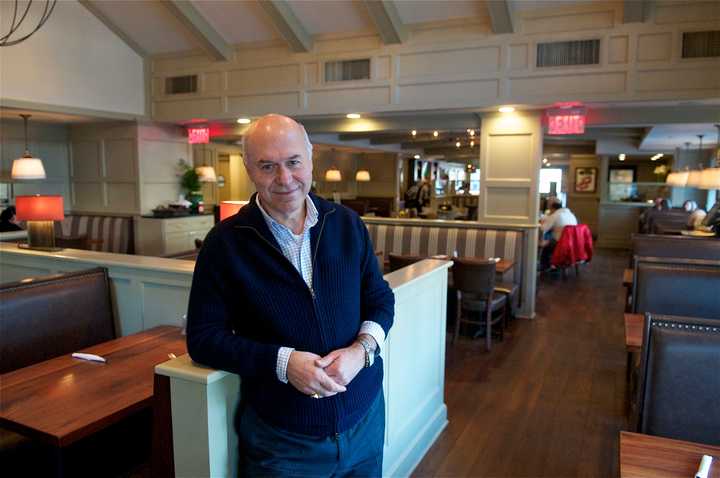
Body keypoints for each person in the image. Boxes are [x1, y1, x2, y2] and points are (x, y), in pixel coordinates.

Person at [186, 114, 394, 477]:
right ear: (249, 168)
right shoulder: (224, 243)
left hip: (365, 420)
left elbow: (380, 299)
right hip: (282, 441)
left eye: (293, 162)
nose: (284, 179)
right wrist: (283, 363)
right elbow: (203, 340)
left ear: (311, 158)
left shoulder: (346, 223)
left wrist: (361, 352)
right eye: (268, 166)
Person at [539, 198, 578, 271]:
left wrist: (543, 222)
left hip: (561, 243)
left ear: (551, 207)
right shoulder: (570, 213)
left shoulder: (555, 215)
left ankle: (544, 266)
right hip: (573, 243)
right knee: (550, 237)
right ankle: (554, 264)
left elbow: (543, 229)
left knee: (544, 244)